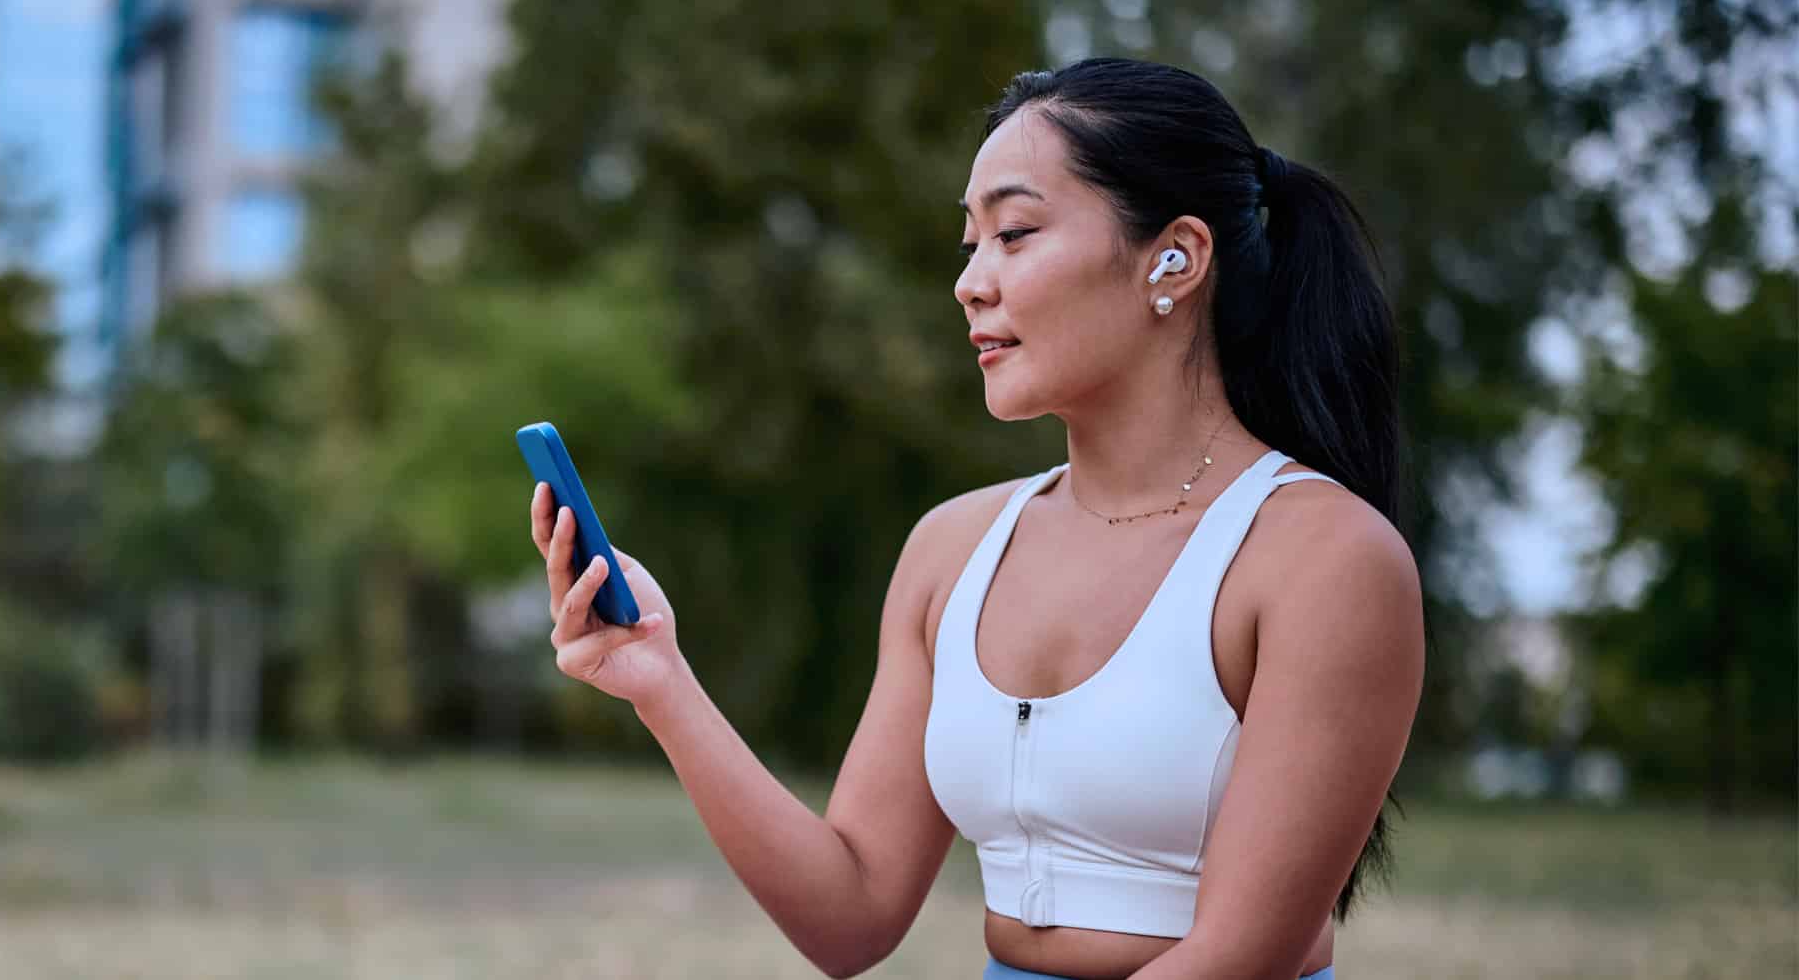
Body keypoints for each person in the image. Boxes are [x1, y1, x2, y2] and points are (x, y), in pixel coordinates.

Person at [528, 57, 1423, 980]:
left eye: (1016, 232)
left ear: (1176, 258)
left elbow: (1238, 955)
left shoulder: (1324, 557)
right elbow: (851, 911)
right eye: (970, 245)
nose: (971, 282)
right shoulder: (952, 548)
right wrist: (660, 681)